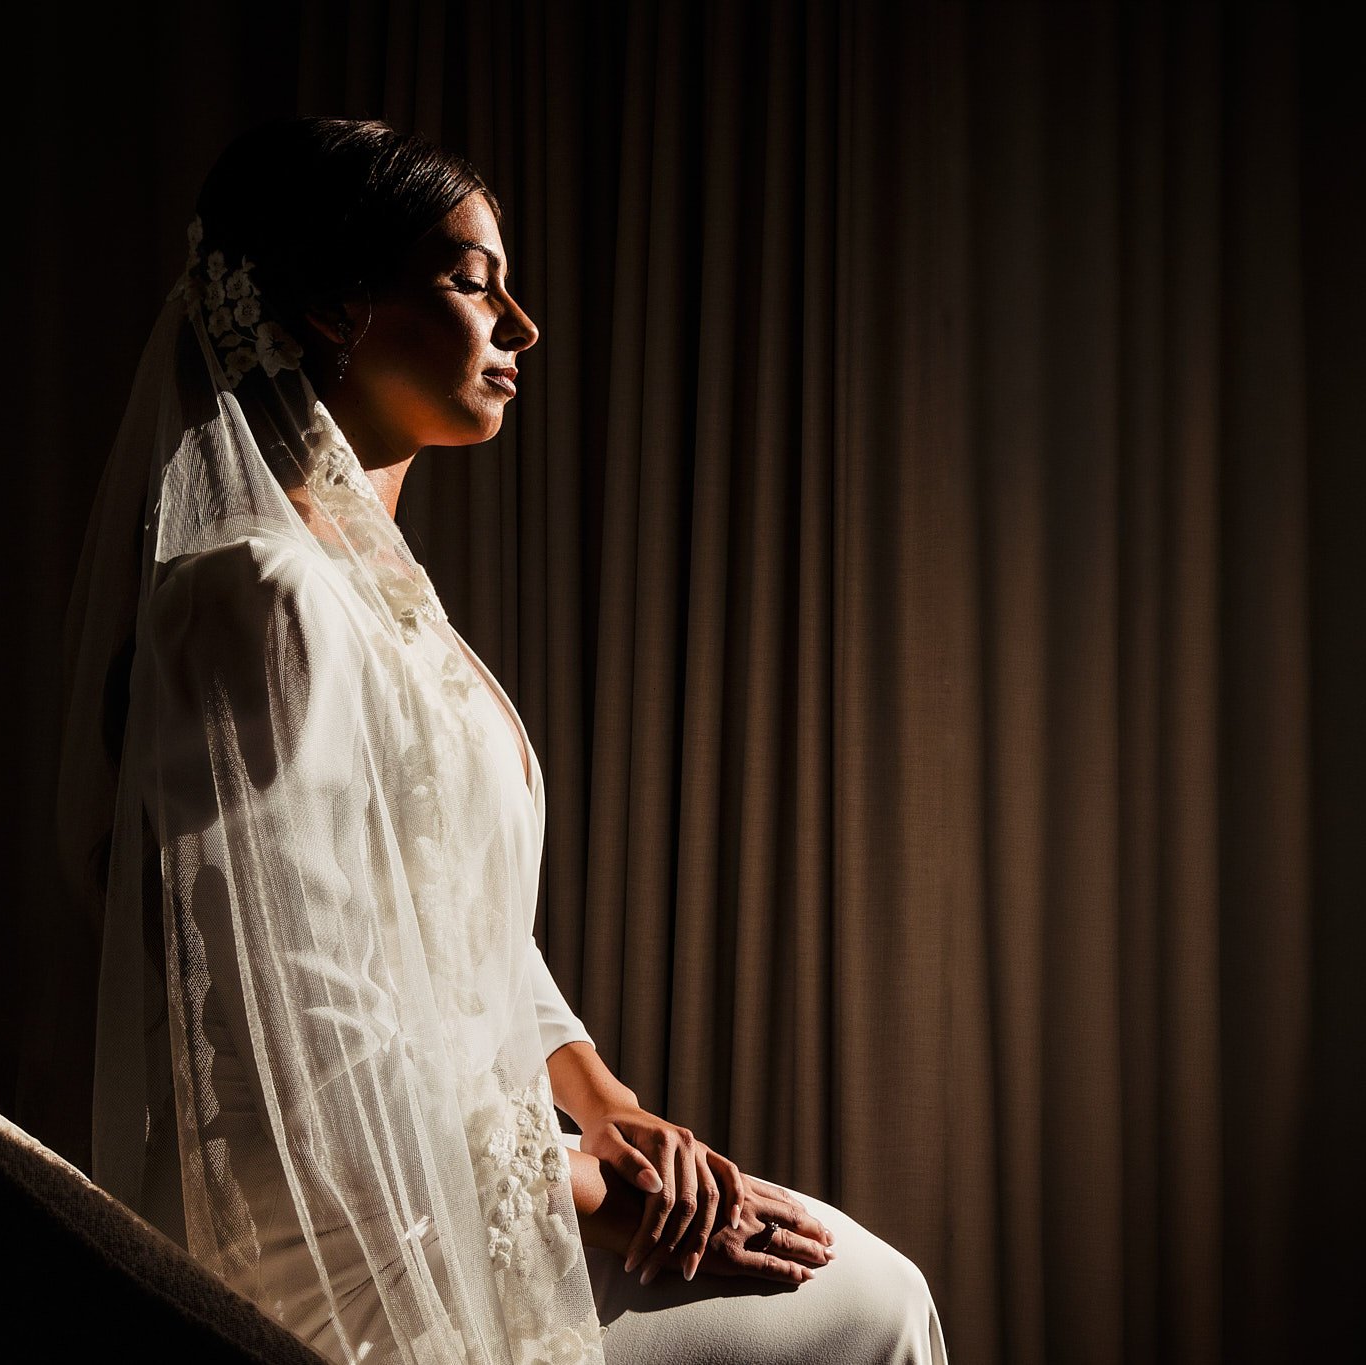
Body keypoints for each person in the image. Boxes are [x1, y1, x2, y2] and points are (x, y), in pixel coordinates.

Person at [56, 116, 948, 1365]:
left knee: (861, 1281)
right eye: (472, 285)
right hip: (351, 1236)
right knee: (876, 1303)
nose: (520, 326)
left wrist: (611, 1109)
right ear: (329, 308)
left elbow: (467, 932)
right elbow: (308, 1031)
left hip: (462, 1173)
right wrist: (582, 1183)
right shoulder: (261, 599)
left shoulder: (381, 598)